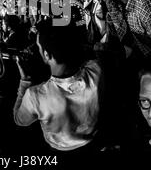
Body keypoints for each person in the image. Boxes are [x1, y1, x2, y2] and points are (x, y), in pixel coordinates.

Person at [13, 21, 103, 154]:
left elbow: (20, 120)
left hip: (60, 150)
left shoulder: (35, 96)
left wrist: (24, 82)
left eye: (38, 47)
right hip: (93, 142)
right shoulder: (96, 71)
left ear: (47, 55)